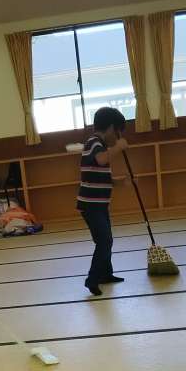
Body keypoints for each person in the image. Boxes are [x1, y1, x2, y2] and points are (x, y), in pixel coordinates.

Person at [77, 107, 129, 296]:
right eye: (118, 132)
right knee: (104, 241)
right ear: (111, 128)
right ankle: (92, 279)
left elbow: (101, 176)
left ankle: (106, 274)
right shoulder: (94, 143)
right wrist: (119, 147)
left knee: (106, 240)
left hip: (99, 204)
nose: (117, 137)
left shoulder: (100, 145)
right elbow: (100, 160)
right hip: (91, 205)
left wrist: (120, 181)